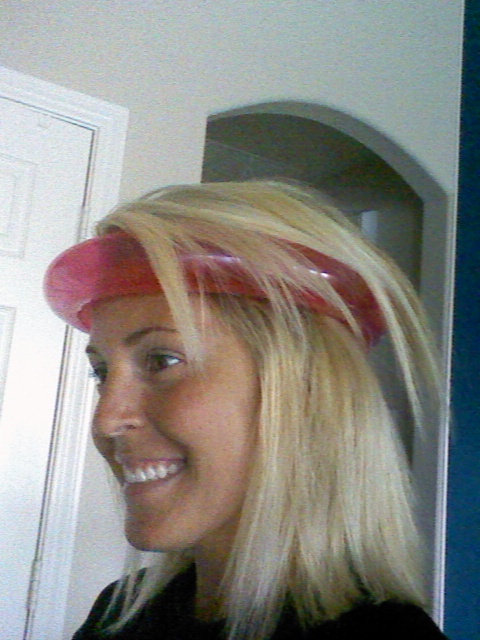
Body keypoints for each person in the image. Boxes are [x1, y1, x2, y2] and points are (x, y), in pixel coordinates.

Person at [44, 180, 448, 639]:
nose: (106, 421)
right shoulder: (118, 613)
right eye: (101, 373)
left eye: (162, 361)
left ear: (306, 391)